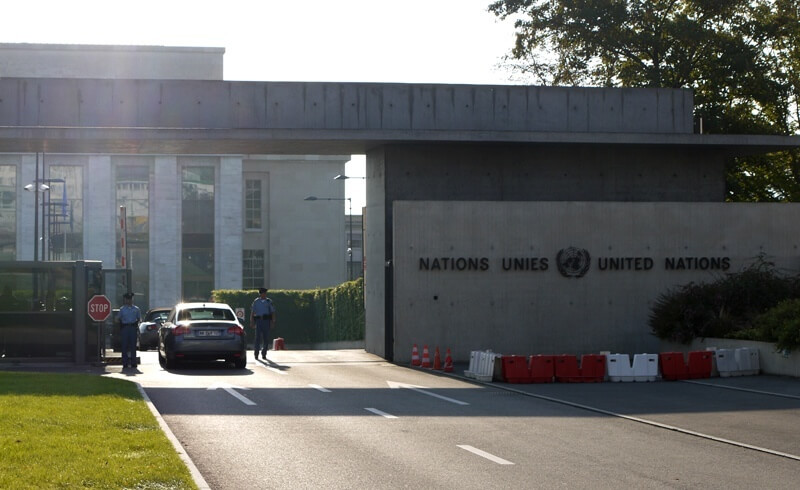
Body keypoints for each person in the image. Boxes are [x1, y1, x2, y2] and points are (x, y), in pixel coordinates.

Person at [116, 292, 142, 369]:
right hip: (125, 328)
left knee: (133, 346)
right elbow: (117, 318)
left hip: (133, 328)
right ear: (125, 300)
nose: (129, 301)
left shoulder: (136, 309)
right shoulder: (122, 309)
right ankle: (125, 362)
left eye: (130, 299)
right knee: (124, 346)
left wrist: (137, 324)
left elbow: (139, 318)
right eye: (127, 299)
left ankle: (133, 362)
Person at [251, 287, 276, 360]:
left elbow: (272, 312)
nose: (264, 294)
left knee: (266, 338)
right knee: (257, 338)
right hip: (258, 321)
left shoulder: (269, 301)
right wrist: (252, 321)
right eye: (263, 293)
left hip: (266, 321)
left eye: (265, 293)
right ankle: (256, 353)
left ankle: (264, 353)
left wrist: (273, 322)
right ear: (260, 294)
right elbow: (253, 312)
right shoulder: (256, 301)